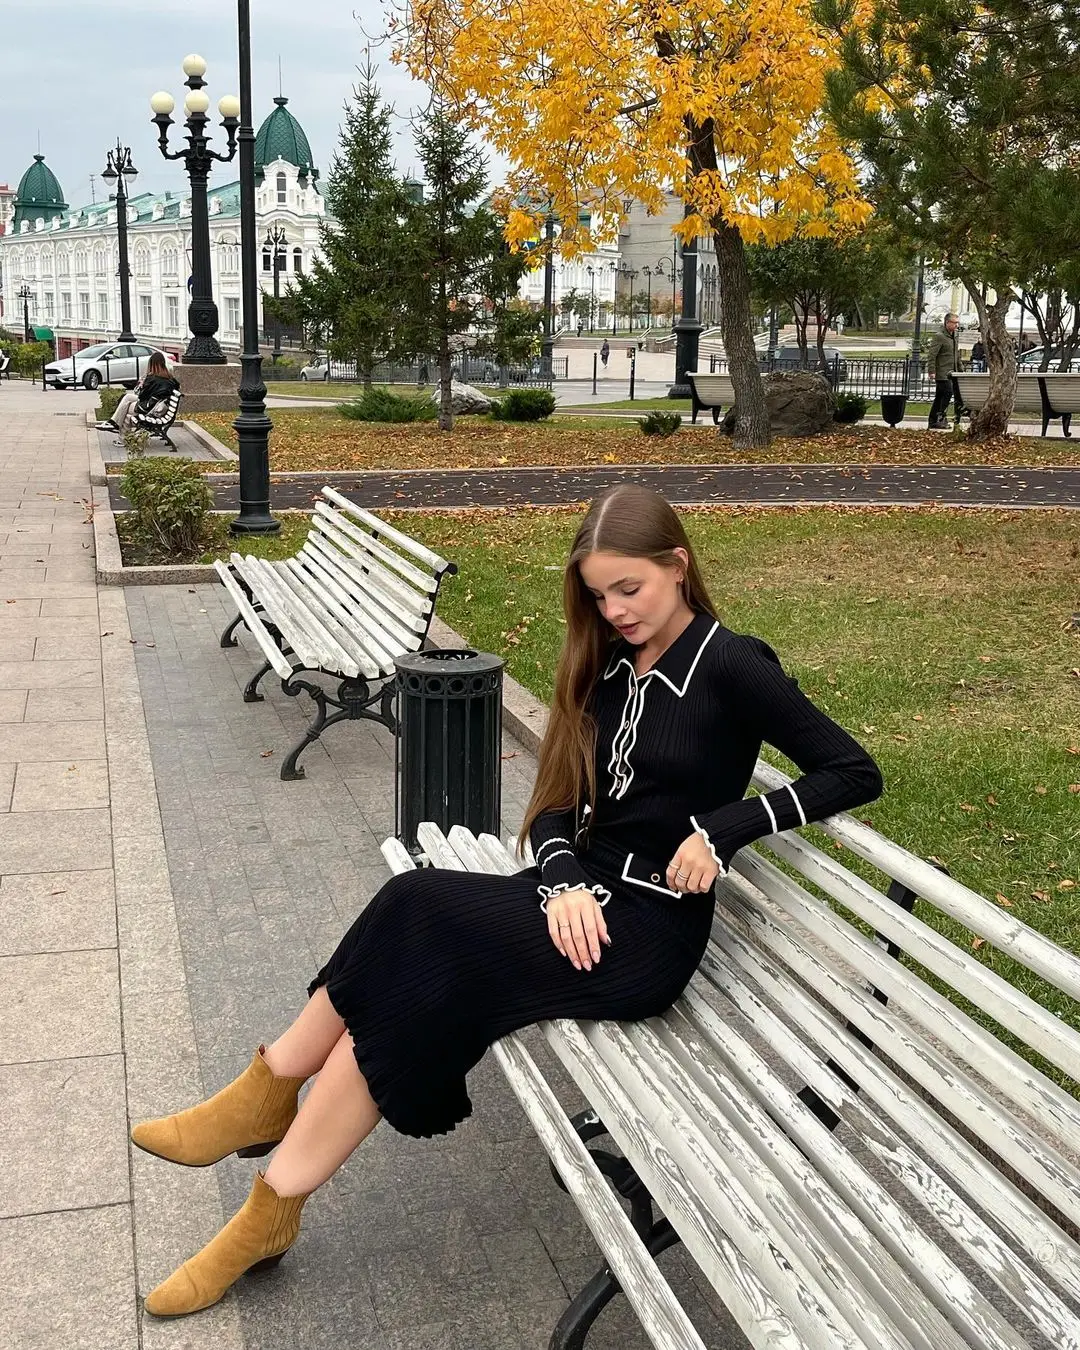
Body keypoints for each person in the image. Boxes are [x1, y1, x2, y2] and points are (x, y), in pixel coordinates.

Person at [129, 484, 883, 1320]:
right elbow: (558, 807)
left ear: (678, 565)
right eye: (598, 595)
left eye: (629, 588)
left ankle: (266, 1109)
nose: (615, 611)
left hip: (644, 932)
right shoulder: (611, 666)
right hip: (576, 899)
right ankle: (270, 1187)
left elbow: (853, 771)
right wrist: (560, 879)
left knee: (420, 911)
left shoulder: (732, 663)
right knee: (415, 964)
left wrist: (722, 830)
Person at [95, 352, 179, 437]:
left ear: (151, 364)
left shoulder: (152, 379)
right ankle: (114, 424)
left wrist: (141, 386)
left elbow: (142, 397)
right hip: (159, 407)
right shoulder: (171, 379)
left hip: (149, 408)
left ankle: (116, 426)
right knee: (127, 398)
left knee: (127, 411)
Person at [925, 313, 960, 429]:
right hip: (942, 373)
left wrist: (961, 370)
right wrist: (931, 371)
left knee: (940, 396)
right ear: (947, 323)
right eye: (954, 323)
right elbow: (932, 355)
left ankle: (933, 420)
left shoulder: (954, 336)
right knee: (947, 393)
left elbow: (956, 355)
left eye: (957, 323)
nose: (956, 325)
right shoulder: (939, 336)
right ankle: (940, 418)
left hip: (952, 373)